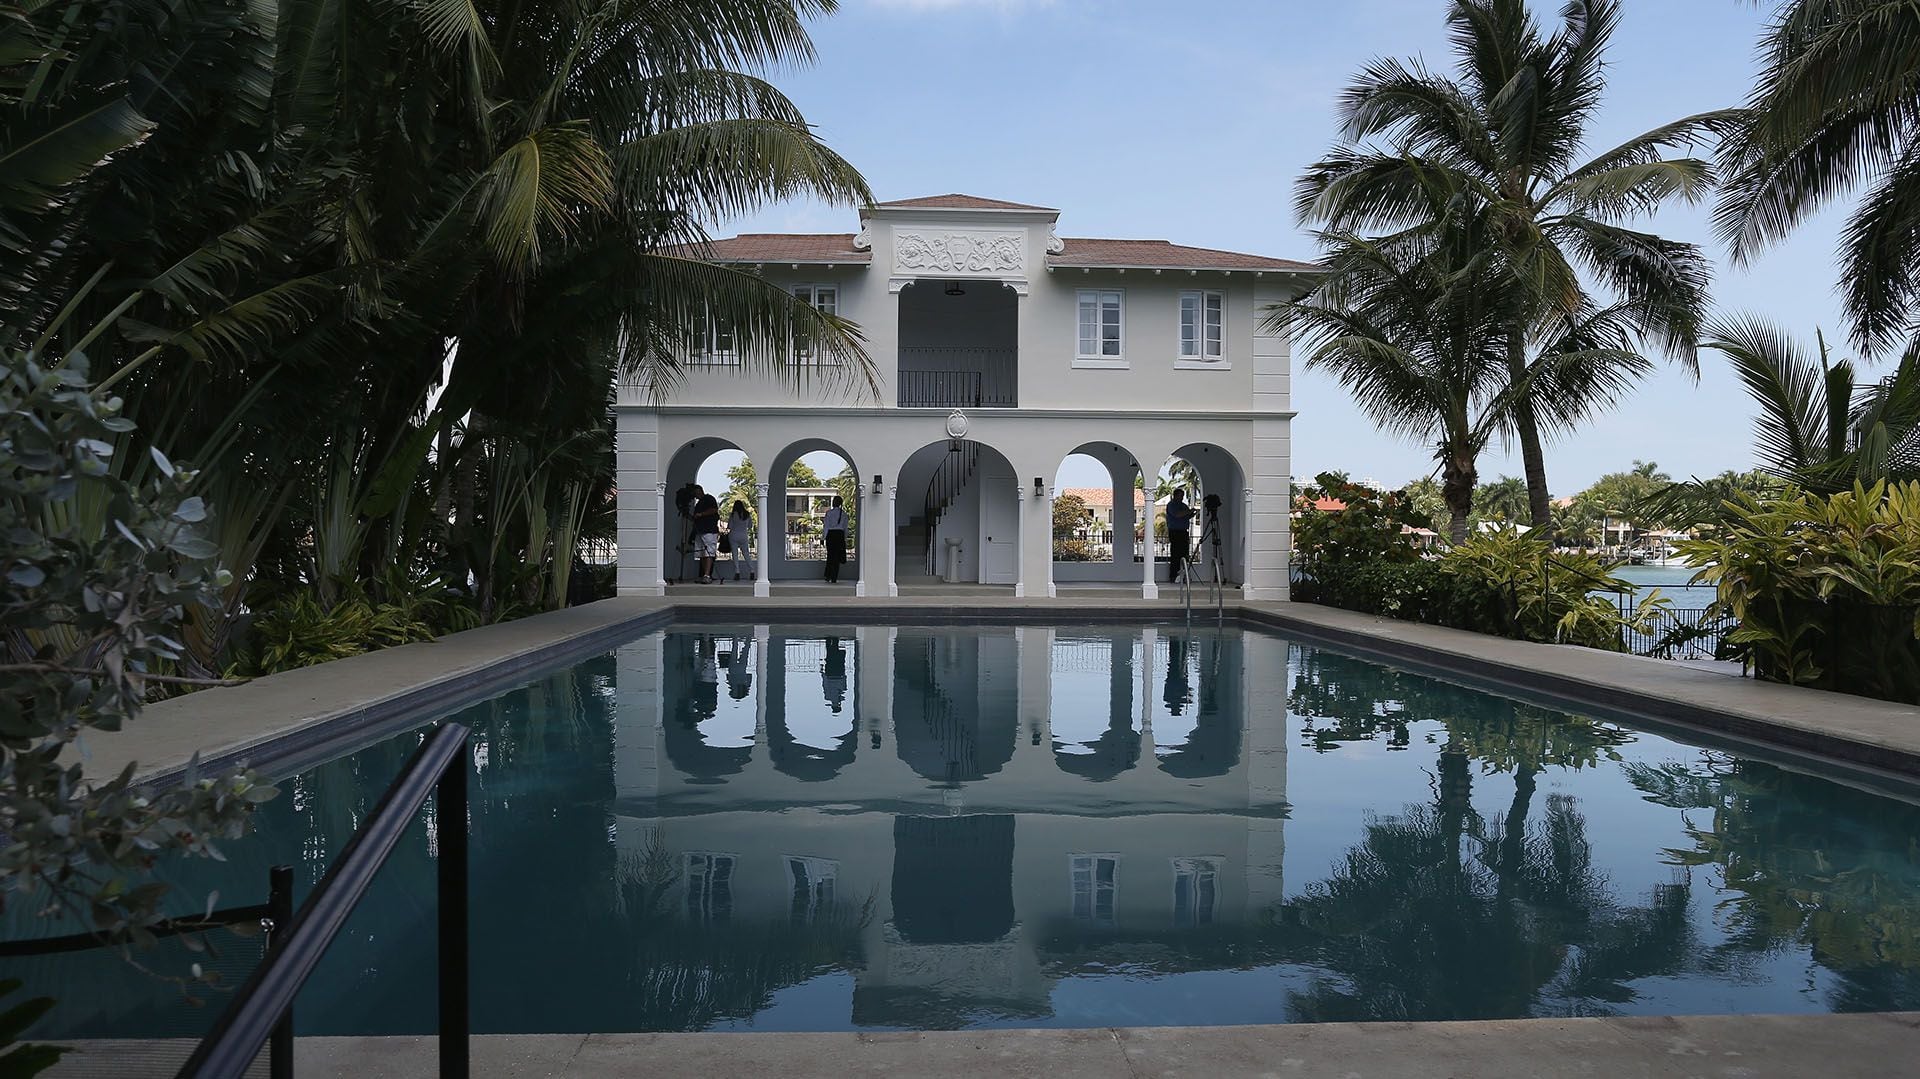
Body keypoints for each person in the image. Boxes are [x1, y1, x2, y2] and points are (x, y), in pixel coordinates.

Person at [691, 484, 720, 583]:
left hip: (709, 530)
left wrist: (701, 514)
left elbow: (714, 510)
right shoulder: (698, 504)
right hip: (700, 531)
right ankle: (704, 574)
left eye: (696, 493)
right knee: (702, 553)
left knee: (708, 553)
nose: (695, 496)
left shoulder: (709, 498)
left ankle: (707, 575)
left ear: (700, 491)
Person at [1165, 488, 1194, 583]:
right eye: (1180, 495)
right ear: (1175, 495)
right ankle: (1174, 575)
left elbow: (1186, 515)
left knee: (1184, 554)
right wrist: (1188, 512)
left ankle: (1183, 574)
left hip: (1183, 532)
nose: (1182, 498)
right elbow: (1177, 515)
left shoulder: (1184, 506)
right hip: (1175, 532)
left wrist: (1191, 513)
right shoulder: (1171, 505)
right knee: (1175, 554)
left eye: (1183, 496)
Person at [822, 495, 849, 584]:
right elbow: (845, 528)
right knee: (837, 557)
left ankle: (828, 576)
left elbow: (826, 526)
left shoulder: (829, 513)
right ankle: (834, 577)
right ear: (841, 503)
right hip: (839, 535)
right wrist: (844, 538)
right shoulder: (844, 514)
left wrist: (823, 538)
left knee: (830, 556)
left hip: (831, 535)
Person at [726, 500, 754, 581]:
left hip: (733, 535)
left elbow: (729, 526)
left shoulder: (733, 515)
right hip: (744, 536)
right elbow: (750, 526)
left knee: (735, 554)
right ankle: (752, 570)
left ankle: (737, 572)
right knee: (746, 554)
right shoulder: (747, 514)